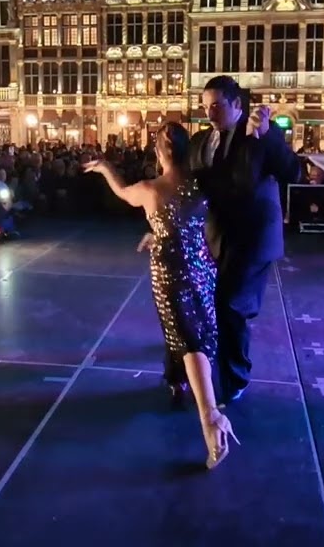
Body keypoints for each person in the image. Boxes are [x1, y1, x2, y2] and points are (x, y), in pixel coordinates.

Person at [87, 122, 237, 469]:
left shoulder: (150, 189)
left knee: (186, 339)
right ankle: (181, 386)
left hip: (169, 271)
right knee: (197, 334)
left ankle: (210, 419)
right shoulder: (201, 184)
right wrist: (162, 234)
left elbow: (122, 192)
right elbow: (189, 222)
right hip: (201, 267)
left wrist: (105, 167)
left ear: (159, 152)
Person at [180, 75, 300, 405]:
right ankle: (209, 365)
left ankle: (235, 378)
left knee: (230, 304)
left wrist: (269, 136)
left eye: (217, 106)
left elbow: (293, 172)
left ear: (237, 104)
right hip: (215, 235)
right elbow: (190, 184)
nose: (209, 113)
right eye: (205, 107)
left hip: (252, 237)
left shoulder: (258, 133)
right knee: (208, 303)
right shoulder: (202, 140)